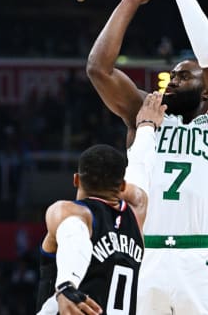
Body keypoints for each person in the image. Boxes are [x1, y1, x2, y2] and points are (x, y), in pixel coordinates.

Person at [86, 0, 208, 315]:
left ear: (207, 91)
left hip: (198, 258)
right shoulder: (146, 112)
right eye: (171, 74)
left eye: (182, 75)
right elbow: (98, 69)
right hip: (145, 253)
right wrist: (129, 1)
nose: (172, 79)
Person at [36, 93, 167, 315]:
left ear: (76, 179)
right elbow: (141, 165)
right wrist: (146, 126)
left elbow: (73, 231)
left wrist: (67, 284)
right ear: (123, 186)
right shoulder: (137, 211)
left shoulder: (69, 211)